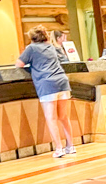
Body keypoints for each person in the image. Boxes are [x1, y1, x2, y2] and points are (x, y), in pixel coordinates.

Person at [16, 25, 75, 159]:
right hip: (62, 81)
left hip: (47, 84)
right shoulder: (51, 47)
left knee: (51, 118)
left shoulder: (31, 48)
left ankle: (59, 148)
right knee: (63, 116)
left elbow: (19, 64)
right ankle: (70, 146)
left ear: (32, 38)